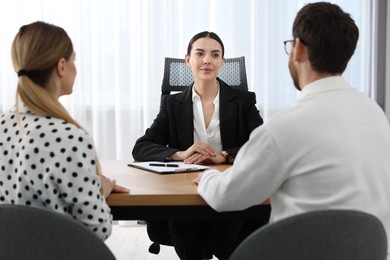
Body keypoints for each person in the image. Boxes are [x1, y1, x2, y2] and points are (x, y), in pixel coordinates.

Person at [195, 2, 390, 259]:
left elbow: (225, 196)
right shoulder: (374, 113)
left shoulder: (284, 128)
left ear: (297, 48)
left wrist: (207, 177)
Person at [132, 31, 266, 259]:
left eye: (215, 55)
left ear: (222, 61)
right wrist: (180, 153)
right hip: (186, 191)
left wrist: (225, 156)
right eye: (200, 54)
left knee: (223, 239)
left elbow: (262, 143)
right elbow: (141, 147)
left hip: (229, 187)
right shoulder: (172, 103)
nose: (207, 60)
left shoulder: (243, 101)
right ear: (188, 60)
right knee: (185, 235)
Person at [0, 21, 129, 241]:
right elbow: (97, 230)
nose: (75, 67)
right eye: (74, 59)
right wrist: (99, 192)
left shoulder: (3, 124)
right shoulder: (70, 137)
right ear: (62, 66)